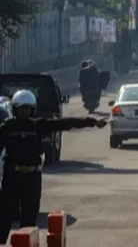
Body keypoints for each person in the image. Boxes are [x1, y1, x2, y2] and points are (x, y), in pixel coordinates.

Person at [0, 90, 107, 244]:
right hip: (12, 177)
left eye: (27, 108)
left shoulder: (38, 125)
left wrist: (92, 122)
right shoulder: (7, 128)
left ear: (32, 109)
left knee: (29, 218)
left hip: (32, 178)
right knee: (4, 216)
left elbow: (66, 123)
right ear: (15, 109)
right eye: (21, 108)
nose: (24, 111)